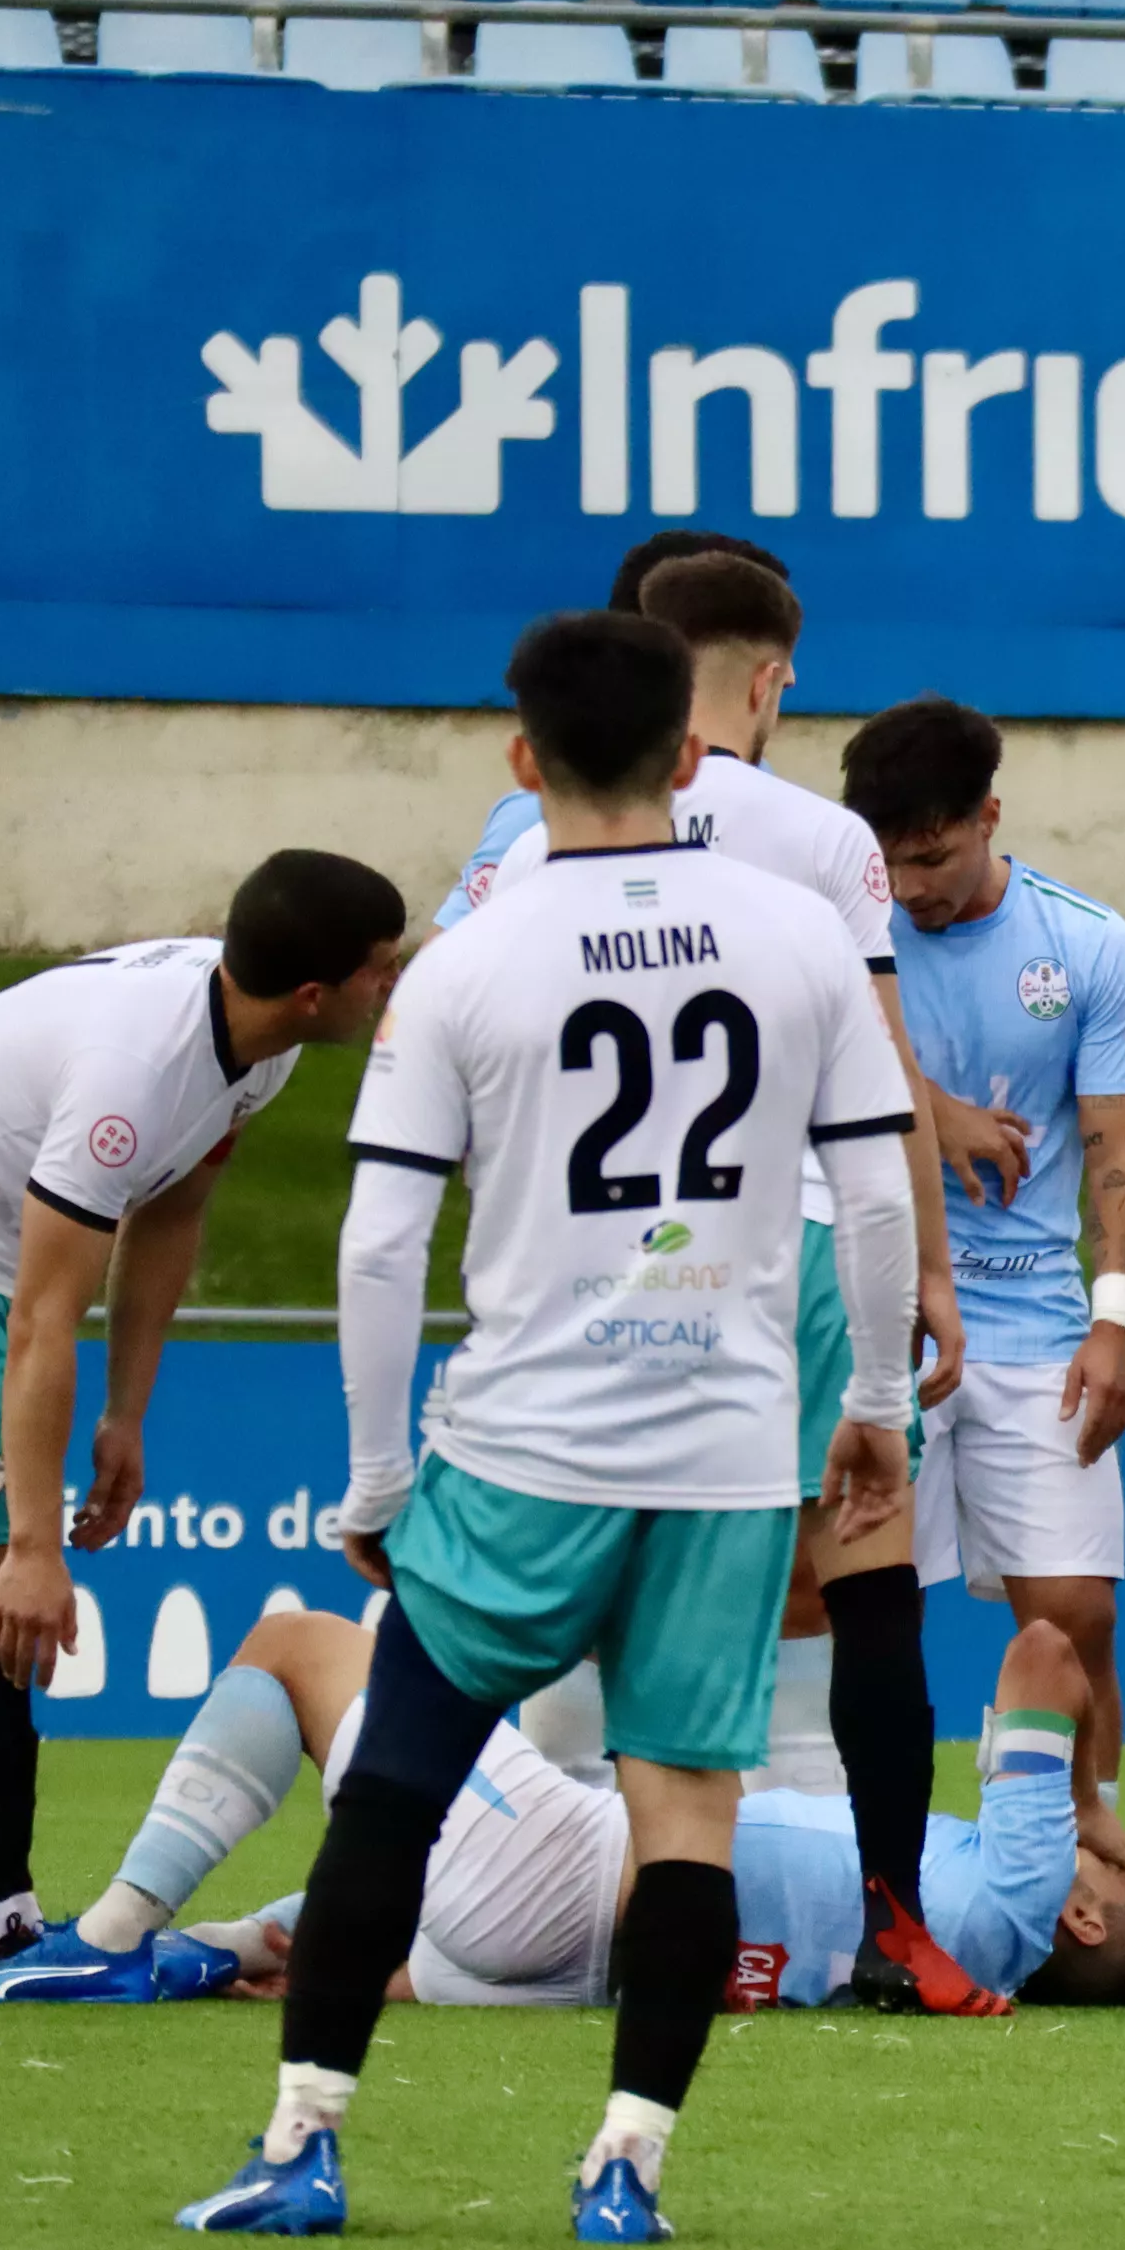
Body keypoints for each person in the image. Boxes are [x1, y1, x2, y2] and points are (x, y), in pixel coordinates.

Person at [175, 610, 920, 2245]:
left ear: (521, 761)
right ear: (689, 754)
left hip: (521, 1453)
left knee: (392, 1793)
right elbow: (868, 1189)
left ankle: (304, 2146)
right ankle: (625, 2171)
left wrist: (378, 1473)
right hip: (728, 1452)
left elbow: (379, 1244)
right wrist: (866, 1401)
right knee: (684, 1815)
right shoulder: (795, 933)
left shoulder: (466, 958)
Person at [472, 552, 1001, 2017]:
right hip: (808, 1237)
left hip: (615, 1251)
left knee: (603, 1575)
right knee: (868, 1583)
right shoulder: (821, 839)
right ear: (768, 676)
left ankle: (596, 1904)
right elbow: (881, 1078)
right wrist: (931, 1278)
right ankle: (896, 1931)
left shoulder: (531, 831)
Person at [0, 851, 406, 1988]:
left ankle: (2, 1919)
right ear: (315, 994)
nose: (394, 985)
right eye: (379, 968)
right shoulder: (134, 1073)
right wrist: (36, 1543)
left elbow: (169, 1216)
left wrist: (126, 1411)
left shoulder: (252, 1054)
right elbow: (40, 1315)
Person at [0, 1607, 1125, 2013]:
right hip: (581, 1973)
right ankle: (197, 1953)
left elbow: (1044, 1650)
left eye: (1120, 1877)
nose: (1114, 1862)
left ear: (1080, 1917)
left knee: (299, 1648)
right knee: (316, 1939)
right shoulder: (971, 1959)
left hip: (568, 1867)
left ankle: (112, 1939)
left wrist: (1083, 1803)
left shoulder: (1023, 1890)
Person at [841, 697, 1125, 1882]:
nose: (911, 887)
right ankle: (876, 1863)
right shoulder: (841, 934)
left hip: (1033, 1322)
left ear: (989, 817)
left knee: (1076, 1612)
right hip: (883, 1319)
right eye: (890, 861)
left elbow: (1122, 1150)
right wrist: (935, 1110)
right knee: (867, 1615)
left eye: (932, 857)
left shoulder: (1086, 944)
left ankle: (1086, 1838)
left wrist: (1116, 1318)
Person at [429, 530, 786, 933]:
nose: (789, 676)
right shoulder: (543, 811)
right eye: (769, 647)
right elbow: (440, 971)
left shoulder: (776, 798)